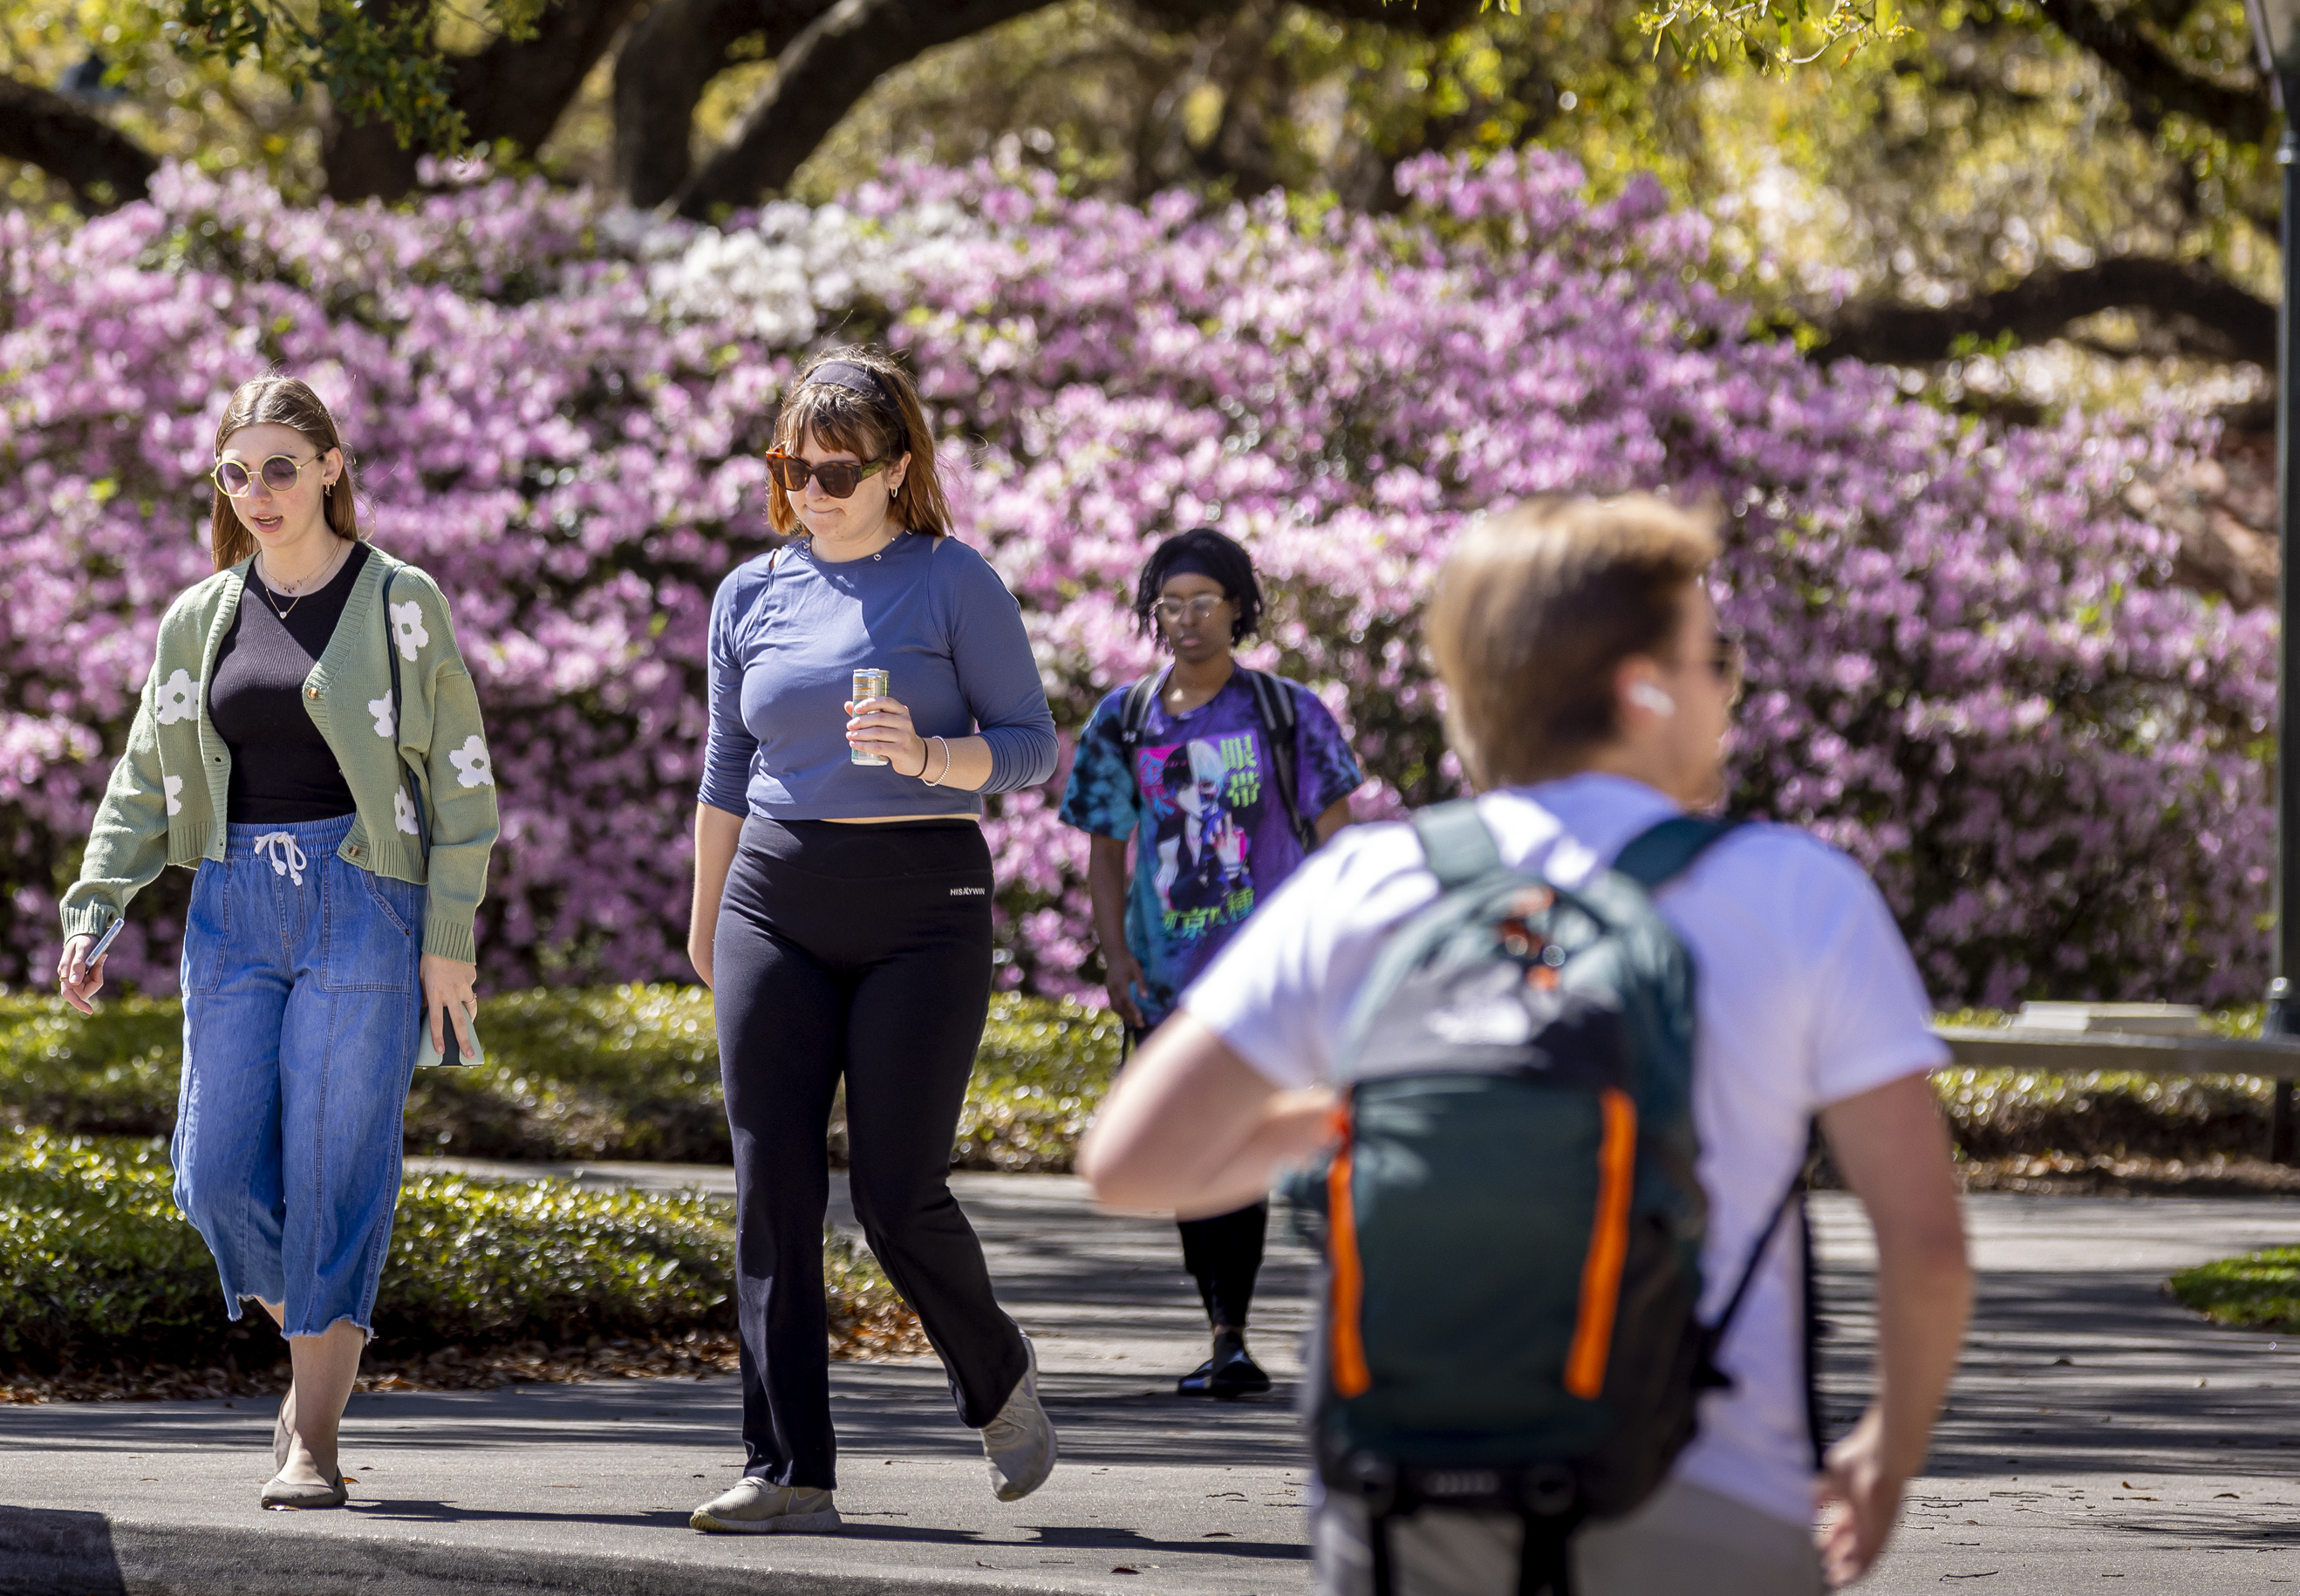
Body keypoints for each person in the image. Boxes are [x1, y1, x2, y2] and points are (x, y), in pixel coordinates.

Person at [1077, 494, 1972, 1595]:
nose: (1730, 689)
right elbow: (1926, 1247)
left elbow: (1130, 1164)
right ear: (1645, 686)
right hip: (1702, 1496)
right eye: (1716, 656)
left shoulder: (1369, 883)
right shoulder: (1796, 891)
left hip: (1400, 1499)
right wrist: (1886, 1452)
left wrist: (1373, 1117)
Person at [55, 375, 498, 1510]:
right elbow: (145, 777)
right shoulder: (198, 617)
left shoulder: (399, 601)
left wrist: (448, 940)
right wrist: (96, 903)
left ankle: (314, 1437)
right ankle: (318, 1331)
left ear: (333, 467)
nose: (258, 492)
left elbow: (460, 777)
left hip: (365, 898)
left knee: (334, 1164)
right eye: (236, 473)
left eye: (282, 468)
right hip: (233, 905)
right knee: (208, 1172)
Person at [682, 345, 1065, 1537]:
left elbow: (1032, 744)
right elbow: (724, 771)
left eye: (841, 468)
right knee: (770, 1193)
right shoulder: (748, 594)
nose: (815, 489)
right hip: (771, 901)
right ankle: (787, 1468)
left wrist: (928, 759)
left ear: (899, 468)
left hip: (923, 904)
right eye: (795, 466)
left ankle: (995, 1376)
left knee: (898, 1196)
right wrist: (707, 921)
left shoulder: (956, 583)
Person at [1059, 525, 1378, 1401]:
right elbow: (1104, 851)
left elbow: (1337, 841)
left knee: (1258, 1145)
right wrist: (1116, 958)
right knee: (1189, 1152)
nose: (1187, 619)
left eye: (1204, 602)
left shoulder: (1285, 713)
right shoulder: (1125, 720)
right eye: (1170, 605)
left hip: (1269, 977)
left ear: (1238, 606)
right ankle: (1222, 1326)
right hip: (1166, 983)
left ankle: (1233, 1332)